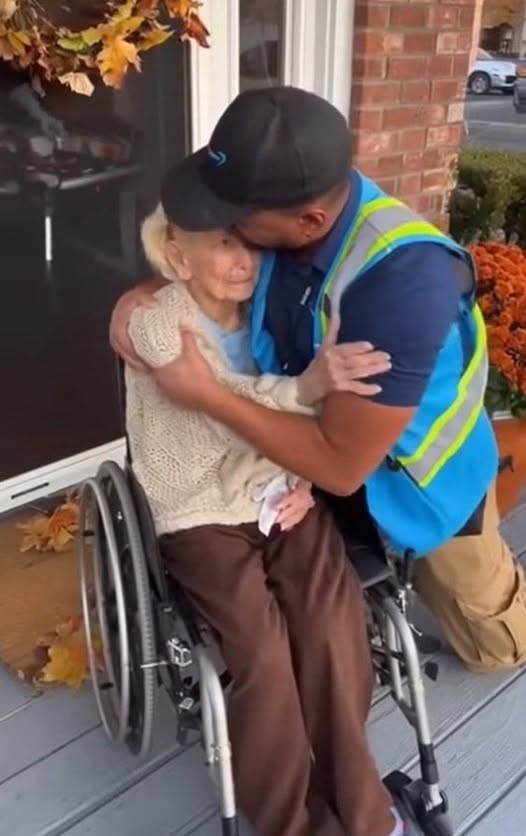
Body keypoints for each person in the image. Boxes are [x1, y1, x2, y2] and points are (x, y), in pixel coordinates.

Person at [111, 85, 526, 676]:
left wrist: (204, 393)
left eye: (233, 218)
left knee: (497, 648)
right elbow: (205, 264)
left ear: (309, 222)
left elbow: (339, 463)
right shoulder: (287, 217)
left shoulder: (404, 287)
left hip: (411, 480)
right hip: (298, 455)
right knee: (309, 613)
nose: (223, 226)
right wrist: (142, 294)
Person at [126, 197, 402, 836]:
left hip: (282, 491)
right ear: (178, 259)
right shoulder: (155, 324)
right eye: (222, 244)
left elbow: (315, 418)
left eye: (248, 242)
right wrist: (303, 388)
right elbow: (213, 407)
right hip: (199, 507)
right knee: (263, 655)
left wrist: (306, 475)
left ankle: (364, 814)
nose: (244, 259)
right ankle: (292, 825)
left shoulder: (271, 314)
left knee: (334, 628)